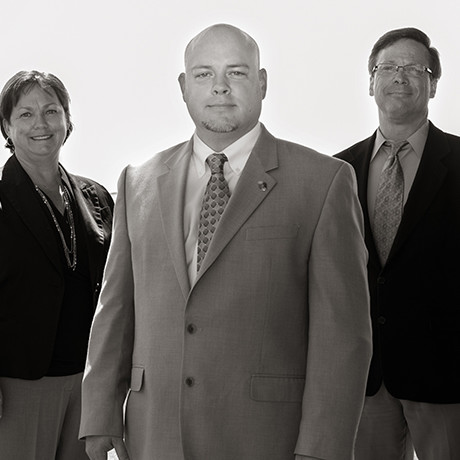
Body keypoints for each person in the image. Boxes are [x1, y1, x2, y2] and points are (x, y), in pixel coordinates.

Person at [80, 24, 372, 460]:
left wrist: (322, 448)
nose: (219, 87)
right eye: (204, 74)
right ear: (183, 87)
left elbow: (343, 335)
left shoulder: (324, 182)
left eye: (236, 72)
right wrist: (100, 414)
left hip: (266, 439)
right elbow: (115, 309)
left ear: (262, 83)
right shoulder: (137, 182)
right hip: (155, 436)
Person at [336, 27, 460, 460]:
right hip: (365, 377)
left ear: (433, 84)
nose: (399, 76)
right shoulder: (337, 171)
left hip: (446, 376)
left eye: (413, 68)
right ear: (371, 81)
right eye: (388, 67)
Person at [0, 70, 114, 459]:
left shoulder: (96, 196)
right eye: (26, 114)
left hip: (88, 382)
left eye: (51, 111)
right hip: (18, 385)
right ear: (7, 127)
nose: (41, 124)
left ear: (67, 120)